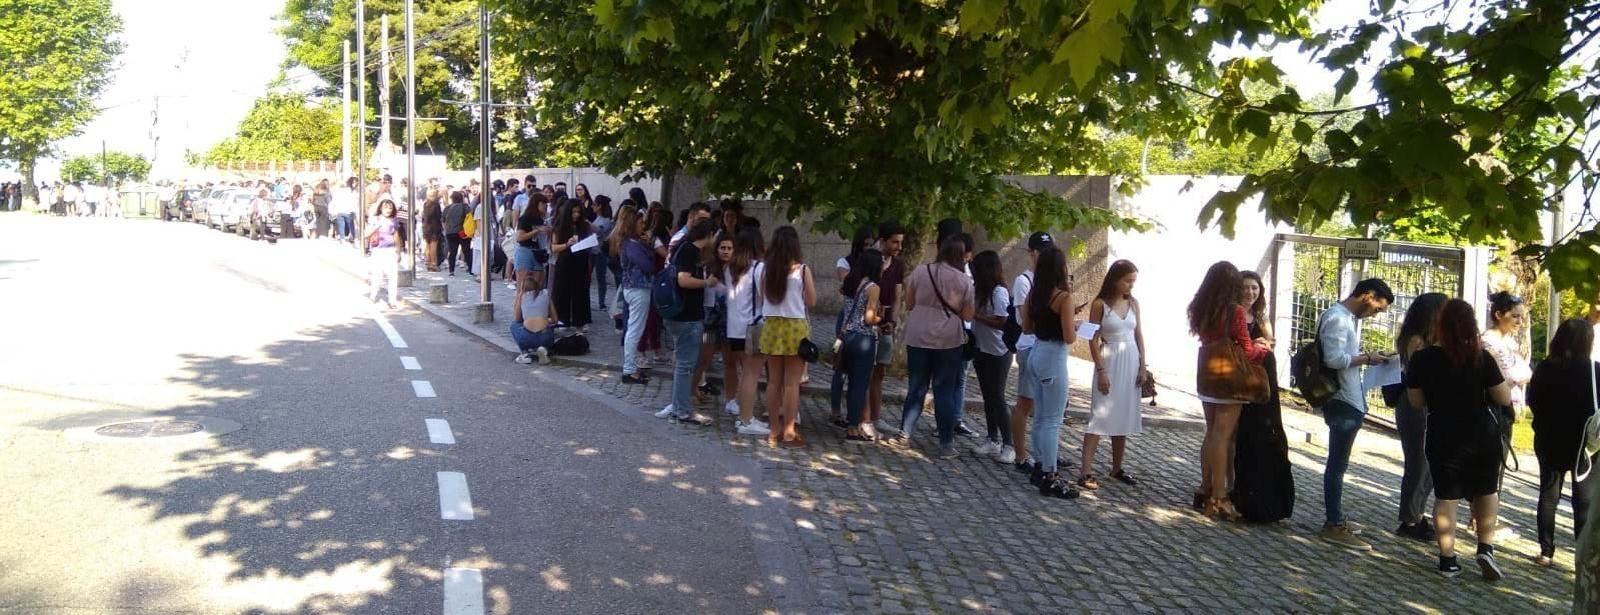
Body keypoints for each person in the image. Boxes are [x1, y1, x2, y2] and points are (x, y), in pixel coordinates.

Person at [1406, 298, 1512, 580]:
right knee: (1487, 490)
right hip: (1481, 432)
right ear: (1471, 326)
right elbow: (1503, 397)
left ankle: (1448, 559)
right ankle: (1485, 548)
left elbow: (1416, 401)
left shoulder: (1422, 359)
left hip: (1443, 432)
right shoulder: (1481, 357)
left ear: (1440, 325)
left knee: (1446, 495)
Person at [1313, 277, 1395, 549]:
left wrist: (1367, 356)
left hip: (1348, 397)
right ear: (1368, 296)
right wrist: (1367, 358)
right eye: (1378, 308)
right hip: (1342, 399)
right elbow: (1333, 360)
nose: (1376, 314)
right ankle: (1333, 523)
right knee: (1337, 464)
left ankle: (1336, 517)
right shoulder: (1338, 317)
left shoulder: (1346, 317)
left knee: (1339, 464)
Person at [1188, 262, 1270, 521]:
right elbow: (1247, 350)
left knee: (1211, 433)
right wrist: (1263, 347)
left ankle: (1205, 487)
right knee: (1223, 436)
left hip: (1207, 372)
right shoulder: (1234, 311)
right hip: (1229, 377)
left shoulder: (1199, 306)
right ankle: (1220, 497)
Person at [1529, 319, 1600, 567]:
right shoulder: (1594, 370)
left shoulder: (1545, 368)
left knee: (1549, 495)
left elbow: (1533, 401)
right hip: (1584, 443)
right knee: (1583, 500)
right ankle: (1581, 556)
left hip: (1549, 439)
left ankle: (1546, 551)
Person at [897, 236, 975, 458]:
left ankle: (904, 434)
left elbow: (909, 303)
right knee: (944, 391)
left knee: (916, 387)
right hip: (949, 340)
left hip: (918, 335)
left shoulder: (921, 272)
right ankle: (946, 443)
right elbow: (968, 314)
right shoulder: (964, 281)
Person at [1232, 270, 1296, 523]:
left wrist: (1265, 343)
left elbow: (1269, 344)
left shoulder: (1261, 317)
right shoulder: (1233, 313)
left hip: (1259, 377)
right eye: (1246, 288)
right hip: (1238, 377)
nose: (1250, 293)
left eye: (1255, 289)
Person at [1019, 245, 1081, 498]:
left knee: (1041, 416)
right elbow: (1069, 337)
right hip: (1054, 357)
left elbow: (1026, 328)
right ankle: (1050, 474)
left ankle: (1038, 465)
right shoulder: (1063, 298)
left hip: (1036, 352)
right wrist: (1074, 325)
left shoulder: (1033, 295)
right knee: (1052, 420)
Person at [1081, 259, 1146, 489]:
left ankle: (1117, 467)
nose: (1130, 286)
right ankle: (1085, 470)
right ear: (1115, 279)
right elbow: (1092, 337)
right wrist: (1100, 369)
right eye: (1127, 281)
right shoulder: (1100, 304)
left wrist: (1142, 365)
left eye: (1133, 281)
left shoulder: (1134, 303)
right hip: (1109, 359)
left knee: (1123, 413)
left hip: (1130, 358)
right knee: (1100, 413)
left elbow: (1139, 334)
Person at [1391, 293, 1448, 540]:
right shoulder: (1416, 340)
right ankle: (1410, 518)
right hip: (1415, 403)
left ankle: (1417, 513)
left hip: (1427, 402)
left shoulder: (1428, 339)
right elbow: (1419, 373)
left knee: (1428, 462)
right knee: (1418, 460)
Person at [655, 218, 719, 426]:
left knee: (682, 363)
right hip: (687, 316)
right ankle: (682, 410)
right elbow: (683, 279)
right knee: (686, 365)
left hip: (679, 315)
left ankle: (676, 405)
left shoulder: (683, 248)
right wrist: (706, 283)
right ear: (709, 235)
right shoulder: (689, 251)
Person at [758, 226, 816, 447]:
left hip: (771, 325)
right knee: (792, 384)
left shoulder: (766, 270)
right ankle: (789, 432)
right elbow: (811, 301)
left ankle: (773, 430)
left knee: (773, 381)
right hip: (795, 327)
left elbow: (762, 297)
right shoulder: (802, 270)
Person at [1481, 291, 1531, 540]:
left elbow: (1521, 371)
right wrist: (1517, 377)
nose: (1519, 322)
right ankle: (1482, 519)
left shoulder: (1508, 342)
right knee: (1490, 464)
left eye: (1522, 317)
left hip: (1506, 406)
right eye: (1515, 316)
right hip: (1493, 407)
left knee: (1498, 463)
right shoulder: (1489, 342)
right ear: (1498, 314)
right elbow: (1500, 377)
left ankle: (1489, 516)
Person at [1010, 232, 1054, 473]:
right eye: (1040, 251)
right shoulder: (1023, 281)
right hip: (1030, 344)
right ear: (1032, 252)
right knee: (1025, 401)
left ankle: (1042, 452)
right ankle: (1019, 453)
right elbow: (1021, 318)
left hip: (1048, 344)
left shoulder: (1052, 281)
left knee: (1046, 406)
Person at [971, 250, 1016, 462]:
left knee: (997, 396)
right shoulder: (978, 292)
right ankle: (992, 438)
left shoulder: (998, 292)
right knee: (987, 395)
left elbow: (1002, 321)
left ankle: (1009, 444)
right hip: (982, 347)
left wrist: (978, 316)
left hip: (999, 350)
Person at [830, 226, 877, 426]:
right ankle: (843, 417)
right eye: (864, 245)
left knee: (854, 376)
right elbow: (869, 316)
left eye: (870, 245)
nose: (867, 248)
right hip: (856, 328)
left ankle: (853, 420)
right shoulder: (852, 270)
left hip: (850, 327)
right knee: (846, 373)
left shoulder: (857, 280)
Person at [726, 227, 770, 436]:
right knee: (752, 374)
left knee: (746, 374)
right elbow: (766, 297)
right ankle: (746, 420)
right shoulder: (759, 268)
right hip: (752, 327)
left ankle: (746, 416)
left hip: (734, 328)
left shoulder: (732, 268)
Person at [839, 248, 886, 441]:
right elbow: (868, 318)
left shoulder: (851, 281)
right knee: (861, 384)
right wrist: (880, 318)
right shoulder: (873, 287)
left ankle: (851, 423)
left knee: (851, 384)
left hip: (848, 336)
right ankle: (853, 428)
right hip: (864, 339)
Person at [869, 222, 908, 439]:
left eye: (900, 242)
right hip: (868, 321)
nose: (898, 247)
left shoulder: (898, 264)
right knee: (865, 371)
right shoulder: (870, 259)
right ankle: (862, 418)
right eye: (894, 242)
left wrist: (892, 320)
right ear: (883, 240)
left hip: (886, 324)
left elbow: (897, 294)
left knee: (879, 371)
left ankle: (876, 416)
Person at [614, 205, 656, 385]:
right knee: (634, 330)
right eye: (640, 223)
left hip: (634, 287)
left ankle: (631, 368)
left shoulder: (630, 243)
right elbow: (647, 265)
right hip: (637, 288)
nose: (643, 226)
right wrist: (649, 248)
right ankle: (629, 370)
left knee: (633, 329)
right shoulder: (631, 245)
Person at [550, 199, 593, 329]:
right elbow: (553, 247)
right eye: (573, 212)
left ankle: (580, 321)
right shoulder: (559, 227)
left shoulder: (584, 226)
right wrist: (567, 244)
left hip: (581, 261)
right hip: (565, 261)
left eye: (578, 212)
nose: (576, 215)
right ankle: (562, 319)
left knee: (581, 292)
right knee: (563, 291)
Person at [510, 269, 557, 366]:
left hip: (527, 337)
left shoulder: (522, 296)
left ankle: (525, 354)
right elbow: (555, 320)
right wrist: (547, 320)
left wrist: (518, 298)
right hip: (545, 336)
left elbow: (517, 319)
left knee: (514, 325)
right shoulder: (546, 295)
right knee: (550, 328)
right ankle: (545, 349)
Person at [365, 199, 401, 308]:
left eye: (390, 208)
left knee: (393, 276)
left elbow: (396, 235)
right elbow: (366, 234)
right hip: (378, 250)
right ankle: (373, 295)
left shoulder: (393, 221)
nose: (388, 210)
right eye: (386, 207)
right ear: (381, 208)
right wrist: (376, 226)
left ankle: (392, 300)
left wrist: (398, 251)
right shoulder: (375, 220)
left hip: (390, 250)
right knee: (377, 275)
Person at [442, 191, 474, 277]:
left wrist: (446, 230)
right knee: (467, 251)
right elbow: (470, 218)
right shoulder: (465, 207)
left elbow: (443, 221)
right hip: (463, 232)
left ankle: (451, 271)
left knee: (452, 252)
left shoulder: (447, 208)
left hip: (451, 232)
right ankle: (471, 269)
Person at [592, 196, 615, 311]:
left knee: (601, 277)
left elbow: (599, 231)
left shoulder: (605, 220)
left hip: (600, 251)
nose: (592, 207)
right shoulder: (598, 218)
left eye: (594, 205)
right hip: (593, 250)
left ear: (599, 206)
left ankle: (602, 303)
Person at [421, 188, 443, 271]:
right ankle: (434, 264)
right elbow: (439, 216)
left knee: (427, 245)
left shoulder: (426, 204)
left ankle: (428, 262)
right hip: (434, 227)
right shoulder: (435, 204)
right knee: (434, 246)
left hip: (426, 227)